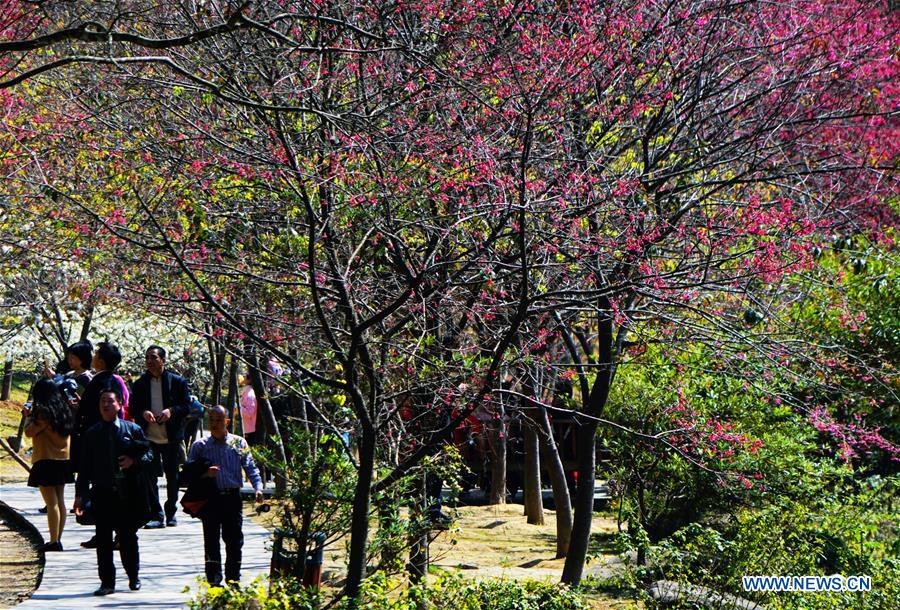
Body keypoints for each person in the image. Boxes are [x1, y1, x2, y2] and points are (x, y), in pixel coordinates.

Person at [74, 386, 154, 596]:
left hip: (128, 494)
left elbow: (149, 457)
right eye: (103, 402)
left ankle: (133, 576)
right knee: (103, 539)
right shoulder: (92, 434)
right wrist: (80, 495)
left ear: (119, 404)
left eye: (110, 401)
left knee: (128, 537)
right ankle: (107, 582)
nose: (106, 405)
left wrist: (133, 461)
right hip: (102, 492)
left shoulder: (132, 430)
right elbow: (84, 467)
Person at [186, 405, 263, 587]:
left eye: (218, 420)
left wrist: (258, 488)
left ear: (227, 421)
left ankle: (233, 578)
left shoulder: (239, 443)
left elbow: (251, 467)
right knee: (211, 539)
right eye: (211, 420)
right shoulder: (200, 446)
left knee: (234, 540)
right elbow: (187, 474)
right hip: (210, 499)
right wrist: (205, 474)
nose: (214, 424)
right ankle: (213, 579)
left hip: (232, 498)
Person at [130, 345, 191, 528]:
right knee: (150, 476)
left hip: (171, 437)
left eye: (154, 357)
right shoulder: (140, 384)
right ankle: (156, 514)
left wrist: (171, 411)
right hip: (149, 437)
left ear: (163, 360)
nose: (149, 361)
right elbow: (133, 408)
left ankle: (171, 510)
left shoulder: (177, 381)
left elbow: (187, 406)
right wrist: (143, 413)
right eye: (147, 357)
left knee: (172, 476)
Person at [24, 378, 75, 551]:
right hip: (63, 459)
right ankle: (57, 538)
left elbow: (30, 432)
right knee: (60, 500)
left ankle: (53, 541)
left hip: (46, 459)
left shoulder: (43, 413)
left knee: (51, 502)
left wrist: (27, 416)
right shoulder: (63, 410)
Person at [239, 375, 258, 445]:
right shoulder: (246, 392)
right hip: (245, 427)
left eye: (245, 376)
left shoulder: (250, 394)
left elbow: (250, 413)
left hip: (249, 429)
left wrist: (238, 407)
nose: (243, 377)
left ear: (249, 380)